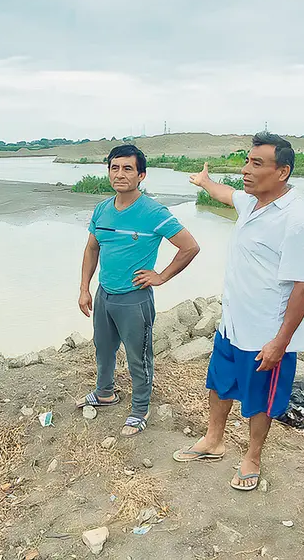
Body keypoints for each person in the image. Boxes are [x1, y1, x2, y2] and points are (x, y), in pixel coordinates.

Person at [175, 132, 304, 491]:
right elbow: (227, 194)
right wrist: (205, 182)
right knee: (220, 383)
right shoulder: (253, 203)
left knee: (260, 400)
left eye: (257, 164)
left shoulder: (298, 221)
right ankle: (214, 439)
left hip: (266, 334)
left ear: (283, 171)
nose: (246, 170)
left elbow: (303, 287)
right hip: (232, 323)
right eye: (246, 161)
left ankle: (252, 456)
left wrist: (280, 341)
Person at [76, 145, 200, 436]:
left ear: (141, 175)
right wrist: (85, 289)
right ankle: (105, 392)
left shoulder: (153, 212)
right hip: (105, 294)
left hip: (135, 299)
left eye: (127, 168)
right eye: (114, 168)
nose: (120, 174)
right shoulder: (102, 209)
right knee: (103, 348)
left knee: (139, 356)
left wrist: (161, 276)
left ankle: (140, 409)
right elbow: (92, 248)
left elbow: (190, 246)